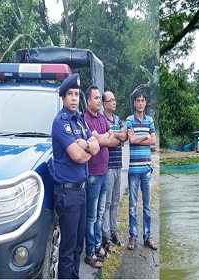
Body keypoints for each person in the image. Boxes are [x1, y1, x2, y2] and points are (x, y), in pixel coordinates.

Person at [51, 73, 100, 278]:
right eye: (69, 94)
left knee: (78, 247)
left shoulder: (80, 121)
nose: (73, 98)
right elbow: (78, 156)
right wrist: (87, 149)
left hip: (81, 192)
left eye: (76, 94)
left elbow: (95, 147)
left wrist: (86, 145)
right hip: (67, 194)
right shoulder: (61, 123)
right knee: (68, 250)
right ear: (63, 98)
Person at [83, 85, 116, 267]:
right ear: (88, 101)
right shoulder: (86, 120)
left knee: (100, 213)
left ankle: (97, 245)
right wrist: (103, 139)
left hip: (104, 173)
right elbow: (100, 139)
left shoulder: (102, 118)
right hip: (93, 175)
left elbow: (110, 137)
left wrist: (103, 138)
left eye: (99, 98)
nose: (98, 101)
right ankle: (89, 252)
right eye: (95, 98)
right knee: (91, 216)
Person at [126, 89, 157, 251]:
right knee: (132, 205)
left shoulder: (150, 120)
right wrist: (145, 137)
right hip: (133, 170)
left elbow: (154, 140)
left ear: (145, 103)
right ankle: (133, 235)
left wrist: (141, 139)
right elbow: (131, 140)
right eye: (137, 100)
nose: (139, 103)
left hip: (146, 169)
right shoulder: (129, 120)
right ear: (134, 103)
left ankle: (147, 236)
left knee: (147, 205)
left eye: (142, 100)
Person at [101, 90, 128, 249]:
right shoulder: (102, 120)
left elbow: (124, 137)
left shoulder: (117, 119)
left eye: (115, 100)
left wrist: (116, 136)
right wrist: (117, 137)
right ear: (105, 104)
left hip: (119, 166)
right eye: (111, 100)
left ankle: (114, 232)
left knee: (115, 201)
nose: (114, 102)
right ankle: (106, 236)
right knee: (107, 202)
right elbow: (109, 141)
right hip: (108, 166)